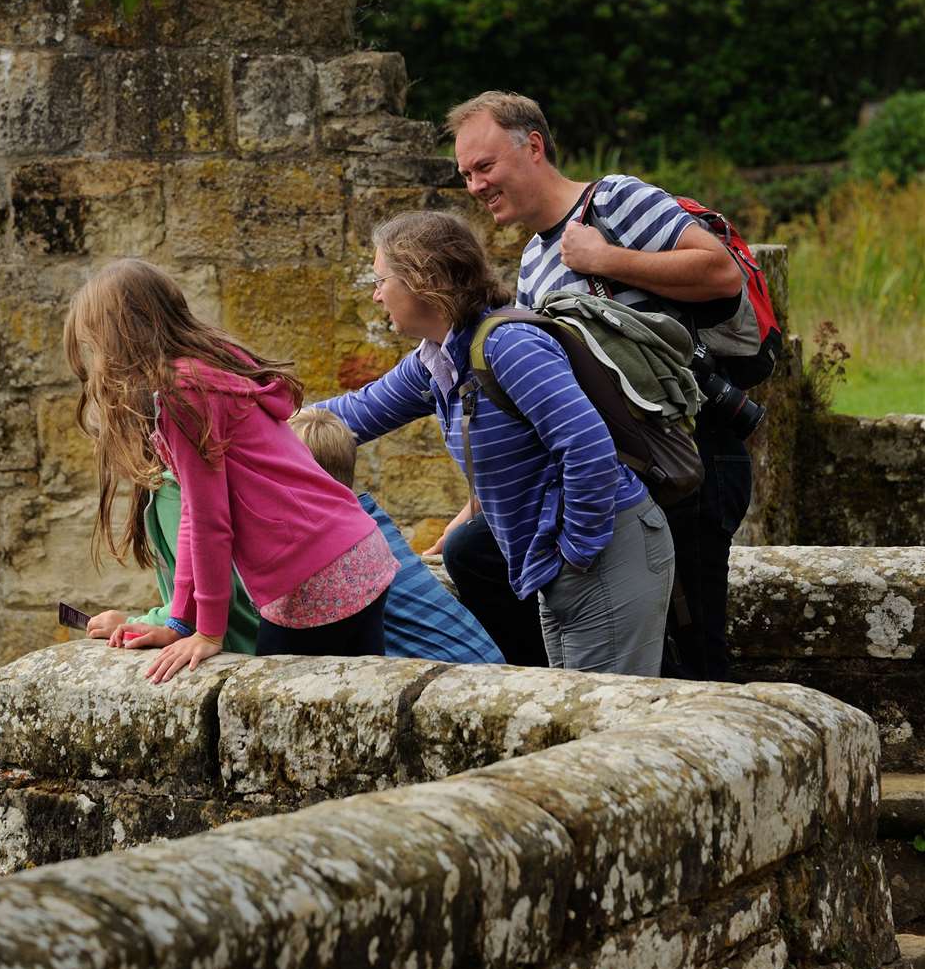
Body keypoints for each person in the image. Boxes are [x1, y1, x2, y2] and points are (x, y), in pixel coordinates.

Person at [441, 90, 748, 681]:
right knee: (476, 551)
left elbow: (719, 272)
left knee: (697, 650)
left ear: (532, 147)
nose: (476, 185)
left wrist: (606, 259)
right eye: (466, 175)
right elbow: (537, 398)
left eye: (485, 167)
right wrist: (474, 504)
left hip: (690, 452)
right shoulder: (533, 259)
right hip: (625, 469)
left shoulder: (613, 201)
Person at [320, 210, 675, 677]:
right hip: (563, 566)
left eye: (382, 278)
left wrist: (575, 555)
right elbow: (350, 414)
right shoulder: (439, 362)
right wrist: (247, 418)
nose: (376, 293)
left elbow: (588, 447)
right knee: (572, 714)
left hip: (607, 553)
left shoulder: (508, 346)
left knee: (607, 722)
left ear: (422, 279)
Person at [64, 259, 396, 683]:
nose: (98, 362)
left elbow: (208, 520)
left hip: (318, 579)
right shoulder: (201, 374)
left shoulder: (183, 391)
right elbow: (192, 518)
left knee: (277, 722)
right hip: (351, 555)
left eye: (97, 344)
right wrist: (181, 623)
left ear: (121, 336)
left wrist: (207, 632)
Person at [87, 408, 505, 666]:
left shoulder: (326, 559)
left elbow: (237, 606)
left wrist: (148, 624)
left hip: (459, 682)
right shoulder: (370, 535)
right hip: (488, 666)